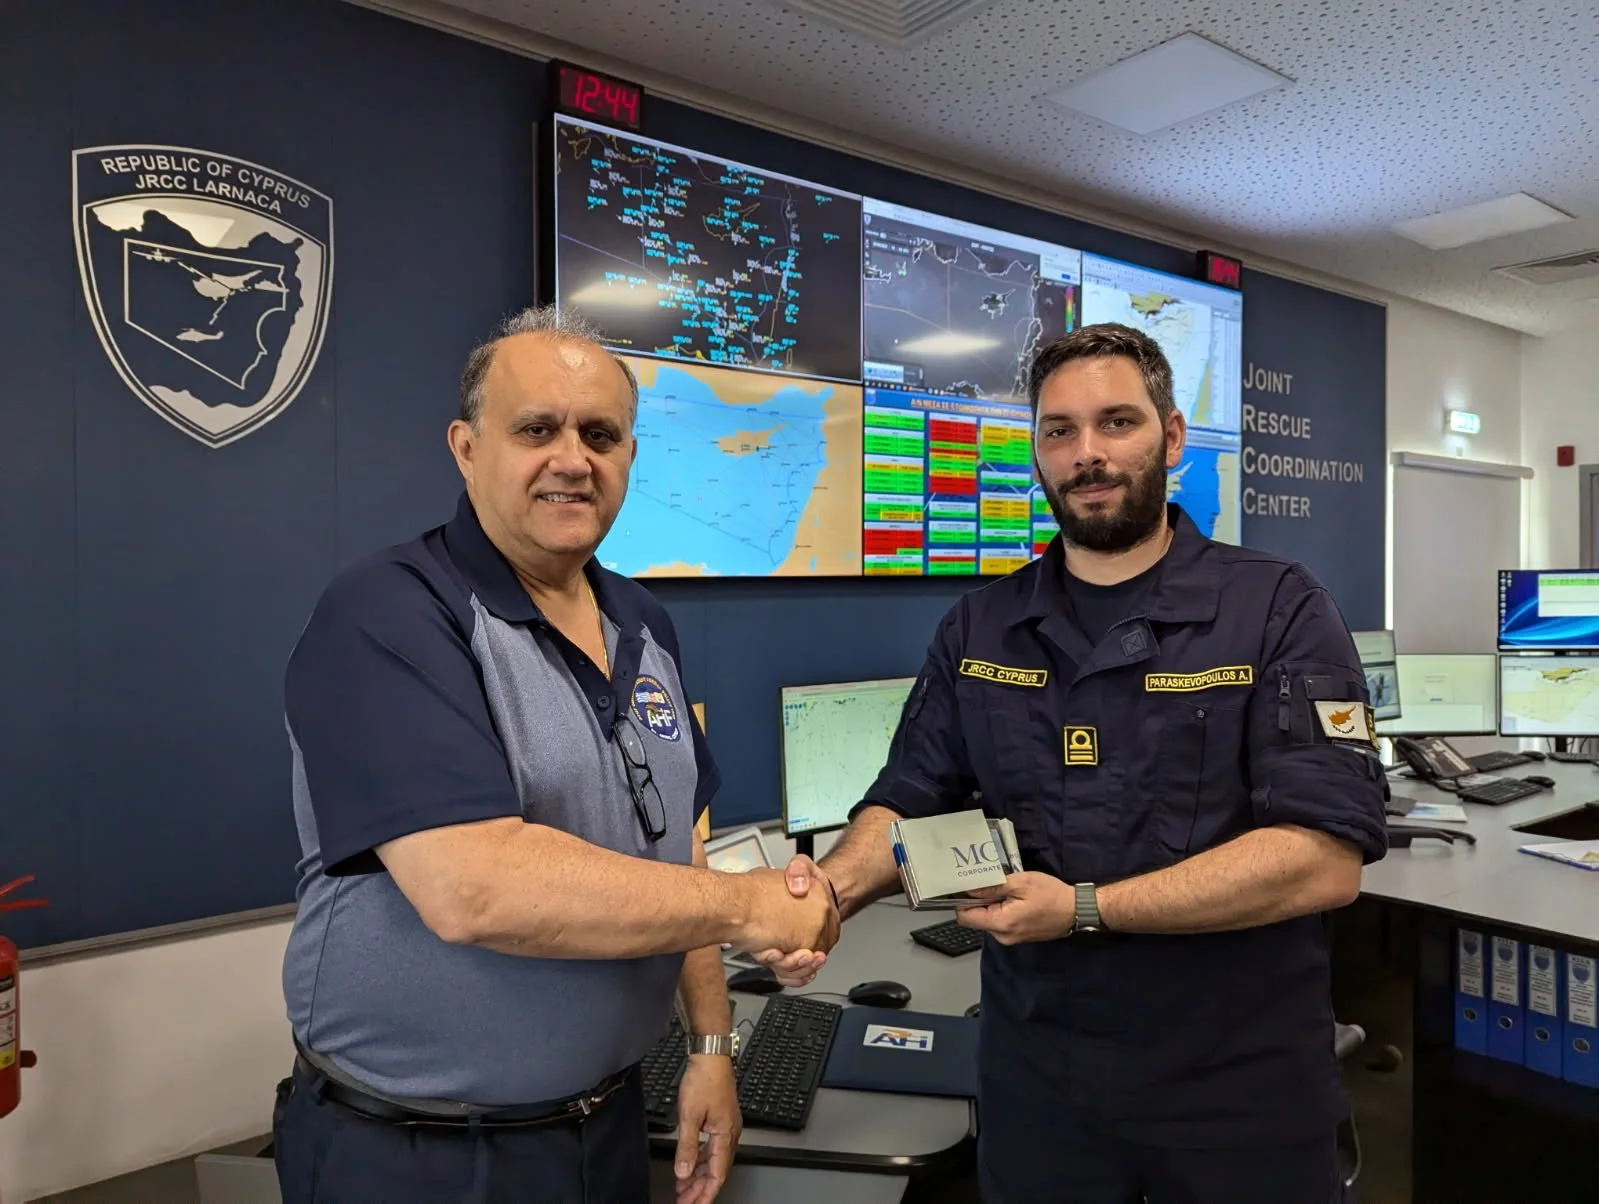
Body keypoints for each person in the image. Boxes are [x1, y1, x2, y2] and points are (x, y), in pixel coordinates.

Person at [765, 323, 1388, 1203]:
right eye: (1058, 430)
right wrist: (824, 898)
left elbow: (1323, 859)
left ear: (1171, 437)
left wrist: (1085, 909)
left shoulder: (1276, 607)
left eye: (1116, 422)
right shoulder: (981, 626)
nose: (1086, 453)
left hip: (1235, 1085)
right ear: (1037, 452)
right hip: (1040, 1085)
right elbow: (909, 795)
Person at [272, 305, 838, 1204]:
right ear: (466, 449)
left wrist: (709, 1044)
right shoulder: (389, 613)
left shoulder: (641, 622)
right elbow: (472, 887)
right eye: (536, 429)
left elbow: (678, 847)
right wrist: (752, 907)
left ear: (629, 458)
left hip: (604, 1127)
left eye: (600, 435)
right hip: (421, 1153)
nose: (572, 459)